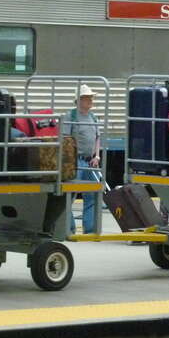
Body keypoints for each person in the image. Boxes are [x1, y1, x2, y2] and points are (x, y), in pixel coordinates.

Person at [63, 84, 101, 234]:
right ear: (79, 100)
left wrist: (97, 155)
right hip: (75, 160)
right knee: (69, 195)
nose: (90, 100)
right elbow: (65, 139)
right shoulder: (70, 116)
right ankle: (69, 228)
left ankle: (90, 228)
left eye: (91, 97)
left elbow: (98, 137)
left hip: (90, 161)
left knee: (91, 195)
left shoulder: (93, 117)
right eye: (87, 98)